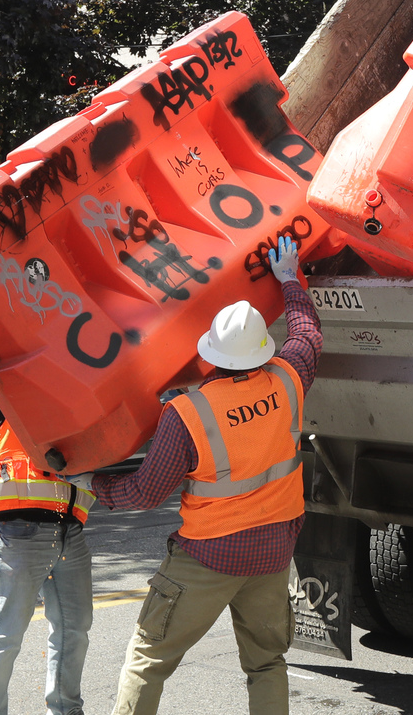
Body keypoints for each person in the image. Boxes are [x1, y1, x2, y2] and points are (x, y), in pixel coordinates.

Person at [78, 234, 321, 715]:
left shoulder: (189, 413)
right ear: (260, 351)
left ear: (211, 354)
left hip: (209, 557)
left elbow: (144, 492)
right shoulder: (290, 379)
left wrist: (92, 485)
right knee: (267, 663)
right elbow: (308, 335)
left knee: (149, 658)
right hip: (273, 552)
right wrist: (290, 278)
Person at [0, 390, 96, 715]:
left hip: (68, 527)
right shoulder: (14, 385)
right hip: (18, 525)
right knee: (6, 633)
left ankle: (66, 709)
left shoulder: (73, 387)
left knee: (74, 629)